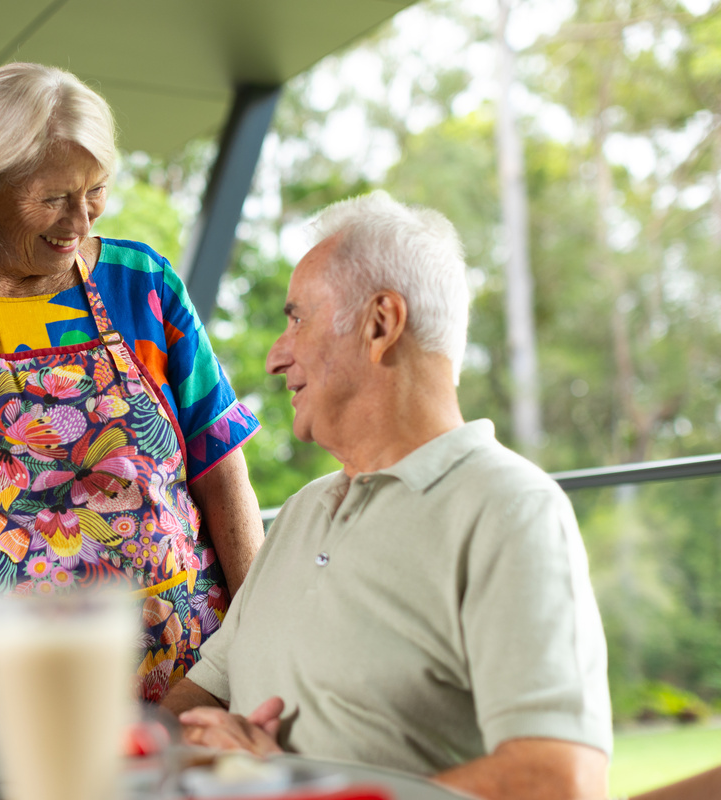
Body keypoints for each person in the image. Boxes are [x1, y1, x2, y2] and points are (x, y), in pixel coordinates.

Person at [0, 62, 265, 731]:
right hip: (5, 697)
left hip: (185, 679)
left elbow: (222, 476)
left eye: (95, 191)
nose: (79, 220)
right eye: (55, 198)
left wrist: (264, 635)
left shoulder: (142, 282)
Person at [161, 192, 613, 800]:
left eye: (297, 319)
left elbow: (558, 779)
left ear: (381, 323)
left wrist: (297, 792)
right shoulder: (302, 512)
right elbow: (196, 701)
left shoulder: (509, 508)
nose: (275, 356)